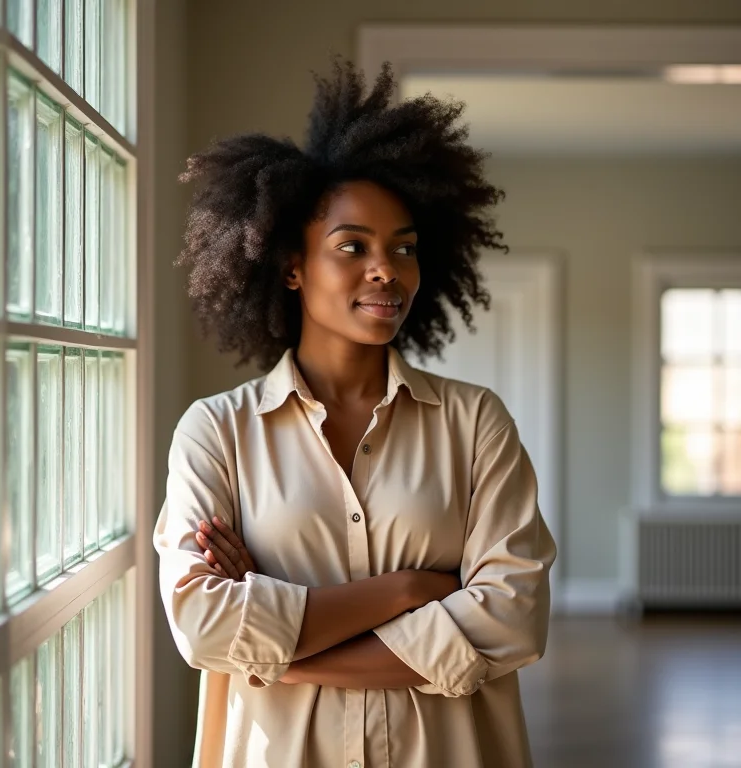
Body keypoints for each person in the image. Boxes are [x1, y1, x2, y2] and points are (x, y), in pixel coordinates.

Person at [153, 57, 557, 768]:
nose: (387, 270)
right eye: (353, 247)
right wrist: (410, 590)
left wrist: (276, 648)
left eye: (404, 249)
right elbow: (202, 626)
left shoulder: (475, 424)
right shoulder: (215, 432)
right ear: (291, 266)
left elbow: (513, 619)